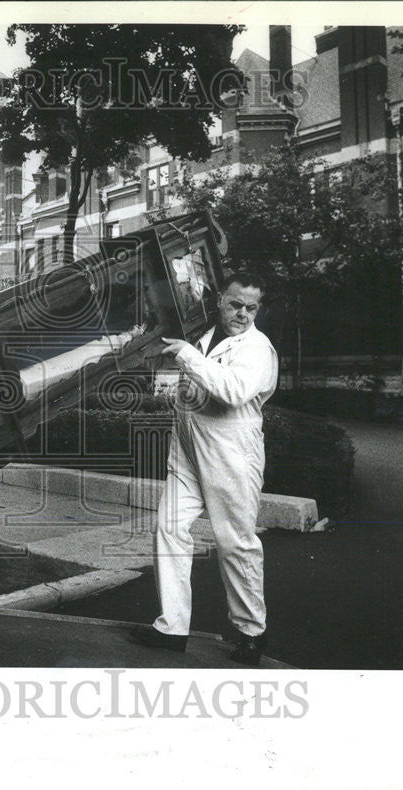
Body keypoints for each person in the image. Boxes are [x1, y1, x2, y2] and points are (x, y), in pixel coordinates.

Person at [129, 274, 278, 665]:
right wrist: (187, 385)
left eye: (251, 308)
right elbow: (198, 380)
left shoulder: (257, 347)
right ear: (219, 301)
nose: (243, 314)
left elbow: (233, 391)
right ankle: (172, 628)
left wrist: (187, 358)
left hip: (232, 451)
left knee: (235, 541)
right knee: (170, 527)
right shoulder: (203, 336)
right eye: (235, 305)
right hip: (189, 445)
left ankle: (251, 632)